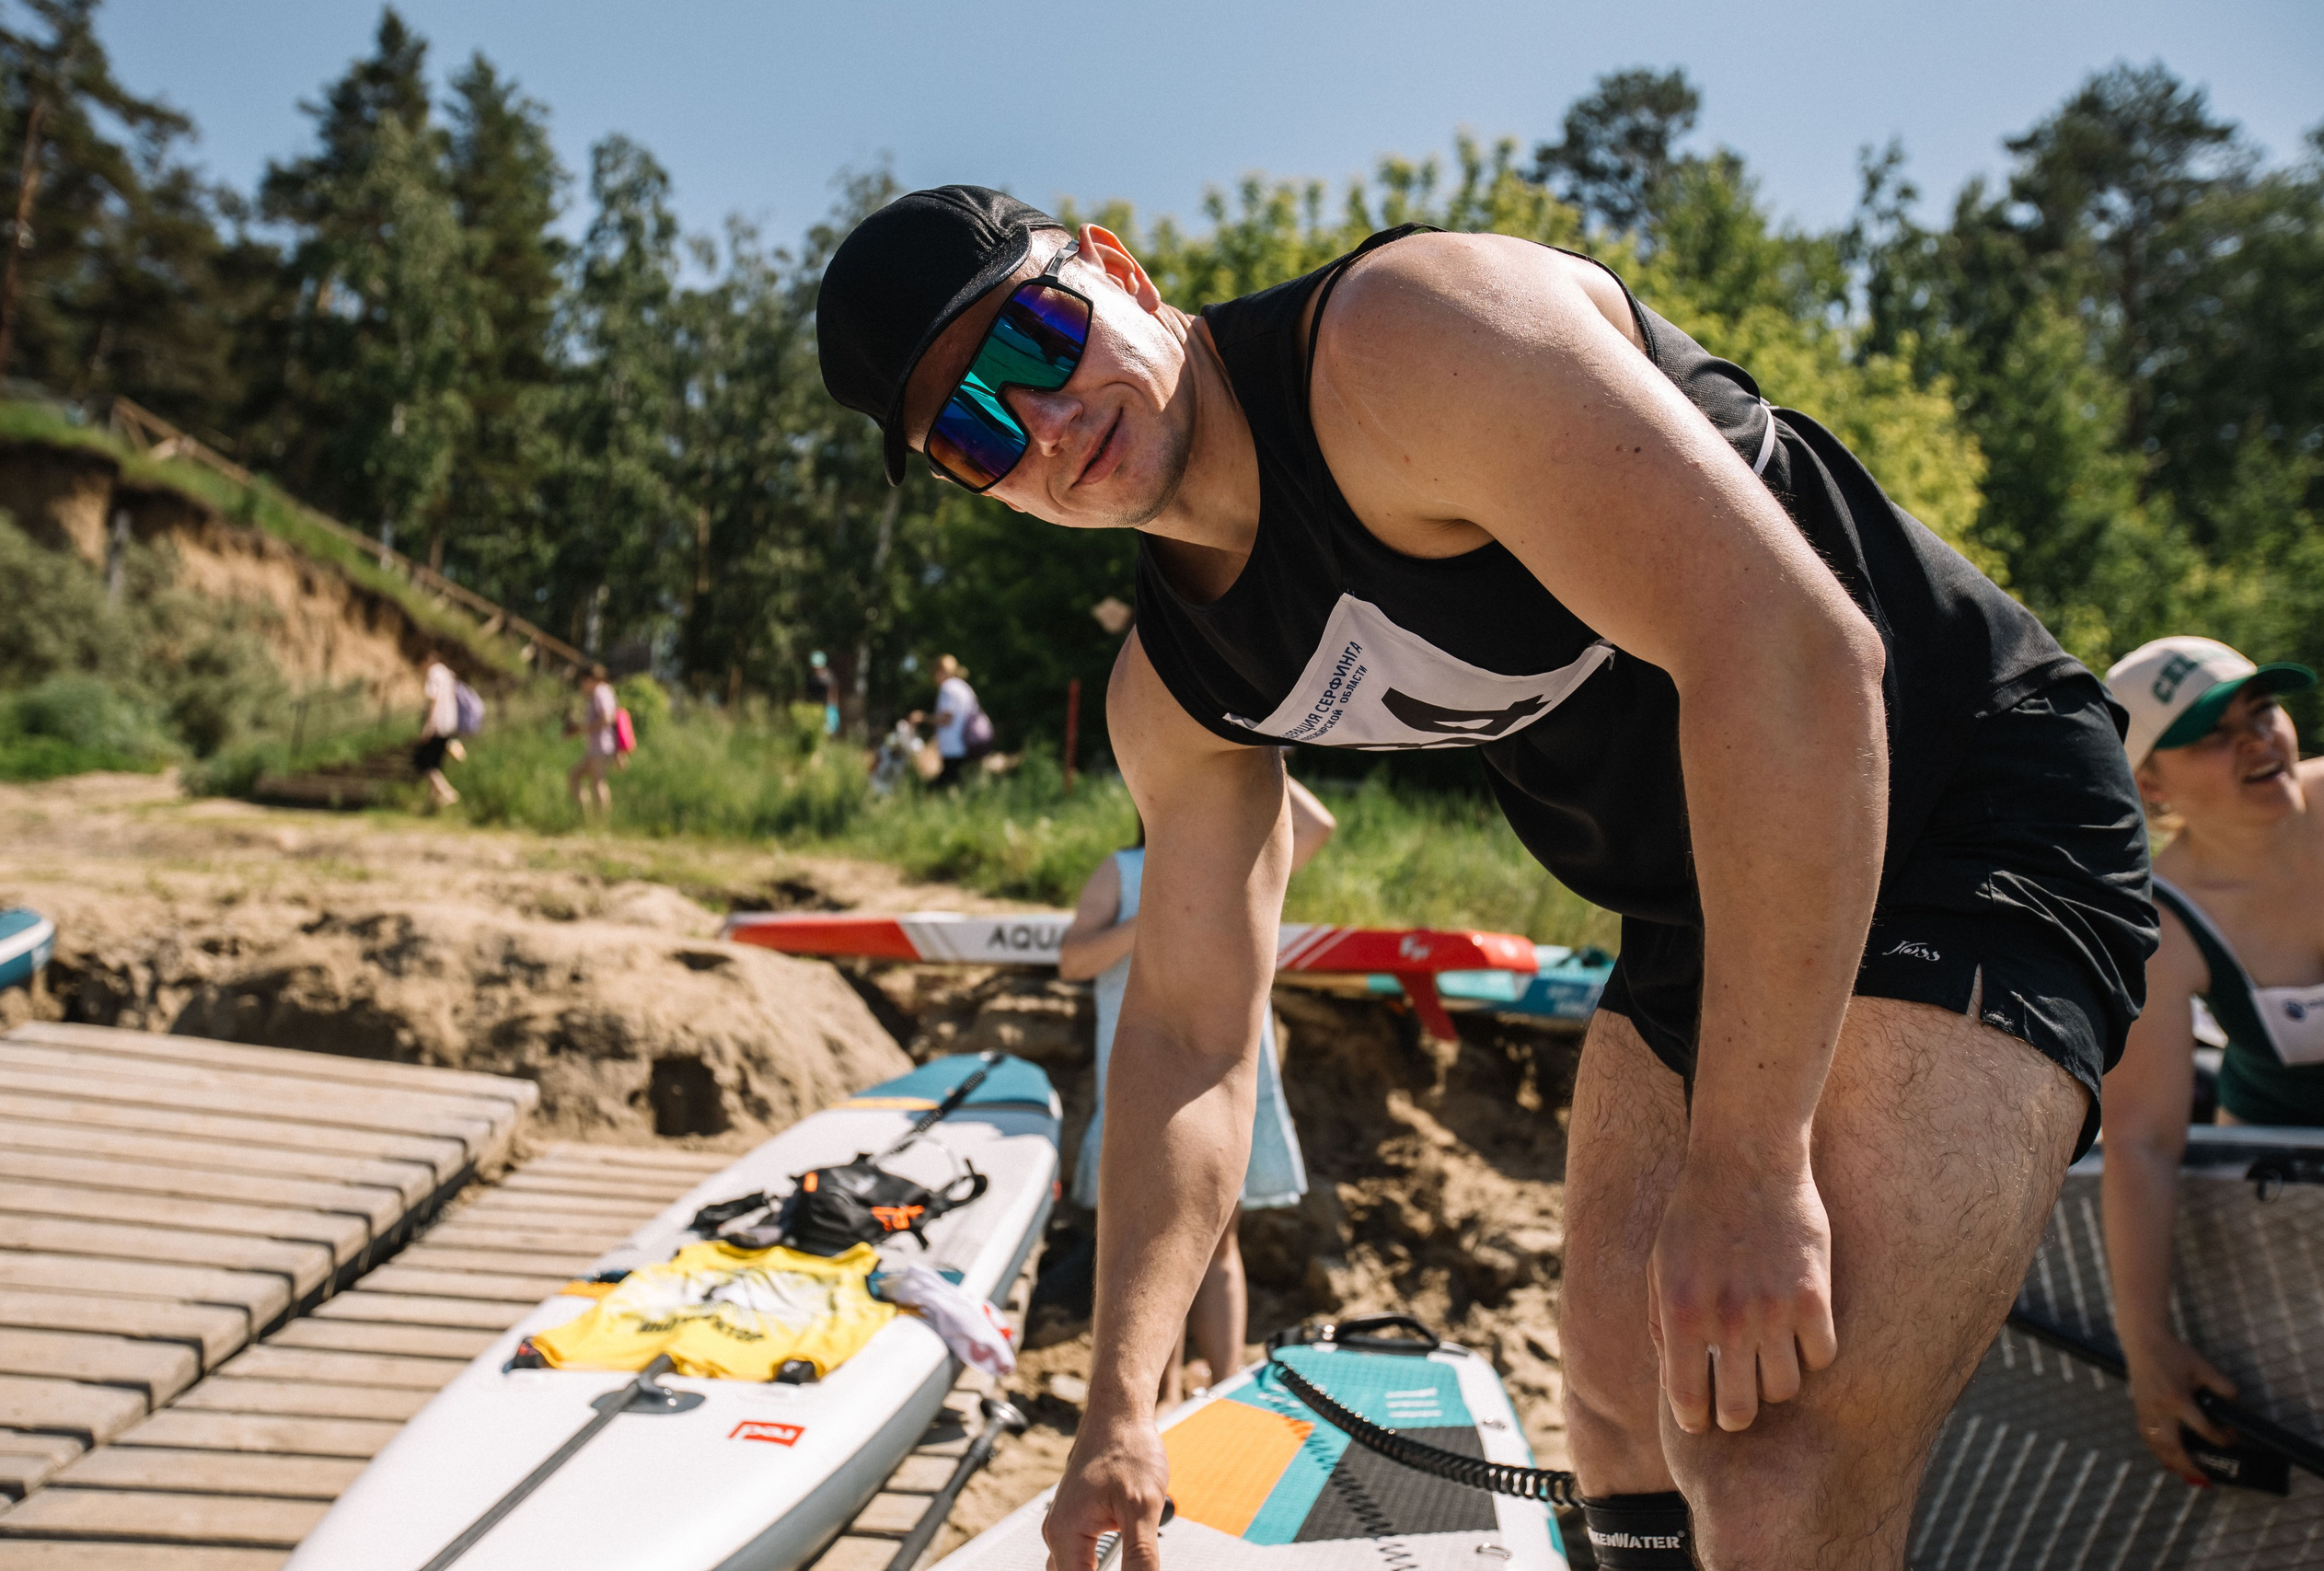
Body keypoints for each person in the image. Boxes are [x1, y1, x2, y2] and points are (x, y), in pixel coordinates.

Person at [815, 187, 2156, 1570]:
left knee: (1771, 1457)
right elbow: (1187, 1035)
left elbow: (1798, 656)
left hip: (1961, 797)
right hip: (1702, 897)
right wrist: (1114, 1413)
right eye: (974, 431)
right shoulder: (1178, 688)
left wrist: (1750, 1167)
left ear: (1114, 266)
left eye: (1036, 336)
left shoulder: (1407, 345)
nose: (1041, 420)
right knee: (1619, 1409)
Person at [2097, 636, 2321, 1485]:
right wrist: (2145, 1340)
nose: (2259, 739)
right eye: (2212, 734)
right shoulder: (2163, 919)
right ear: (2149, 782)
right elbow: (2144, 1142)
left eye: (2261, 710)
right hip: (2288, 1197)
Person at [1060, 773, 1334, 1407]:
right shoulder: (1123, 872)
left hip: (1226, 1088)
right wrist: (1151, 919)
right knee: (1151, 1251)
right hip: (1145, 1088)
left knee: (1219, 1242)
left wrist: (1255, 745)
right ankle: (1155, 1405)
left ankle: (1224, 1390)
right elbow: (1072, 960)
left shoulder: (1245, 866)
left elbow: (1318, 827)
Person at [565, 666, 619, 817]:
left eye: (582, 682)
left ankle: (601, 823)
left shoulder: (600, 693)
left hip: (601, 747)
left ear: (589, 680)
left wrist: (582, 729)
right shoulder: (605, 692)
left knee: (598, 783)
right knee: (574, 776)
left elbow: (607, 719)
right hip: (598, 747)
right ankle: (585, 817)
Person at [413, 652, 461, 807]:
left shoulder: (433, 673)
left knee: (423, 761)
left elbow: (434, 700)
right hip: (450, 722)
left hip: (438, 723)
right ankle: (433, 801)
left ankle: (447, 792)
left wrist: (428, 726)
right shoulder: (447, 673)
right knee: (436, 762)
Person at [930, 654, 980, 789]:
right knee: (957, 782)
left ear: (940, 671)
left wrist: (923, 718)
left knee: (945, 783)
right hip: (967, 742)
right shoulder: (963, 687)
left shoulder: (948, 688)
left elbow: (946, 718)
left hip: (952, 745)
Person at [807, 651, 841, 738]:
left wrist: (833, 709)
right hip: (815, 707)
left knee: (829, 731)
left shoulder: (829, 678)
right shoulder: (812, 678)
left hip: (828, 708)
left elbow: (834, 693)